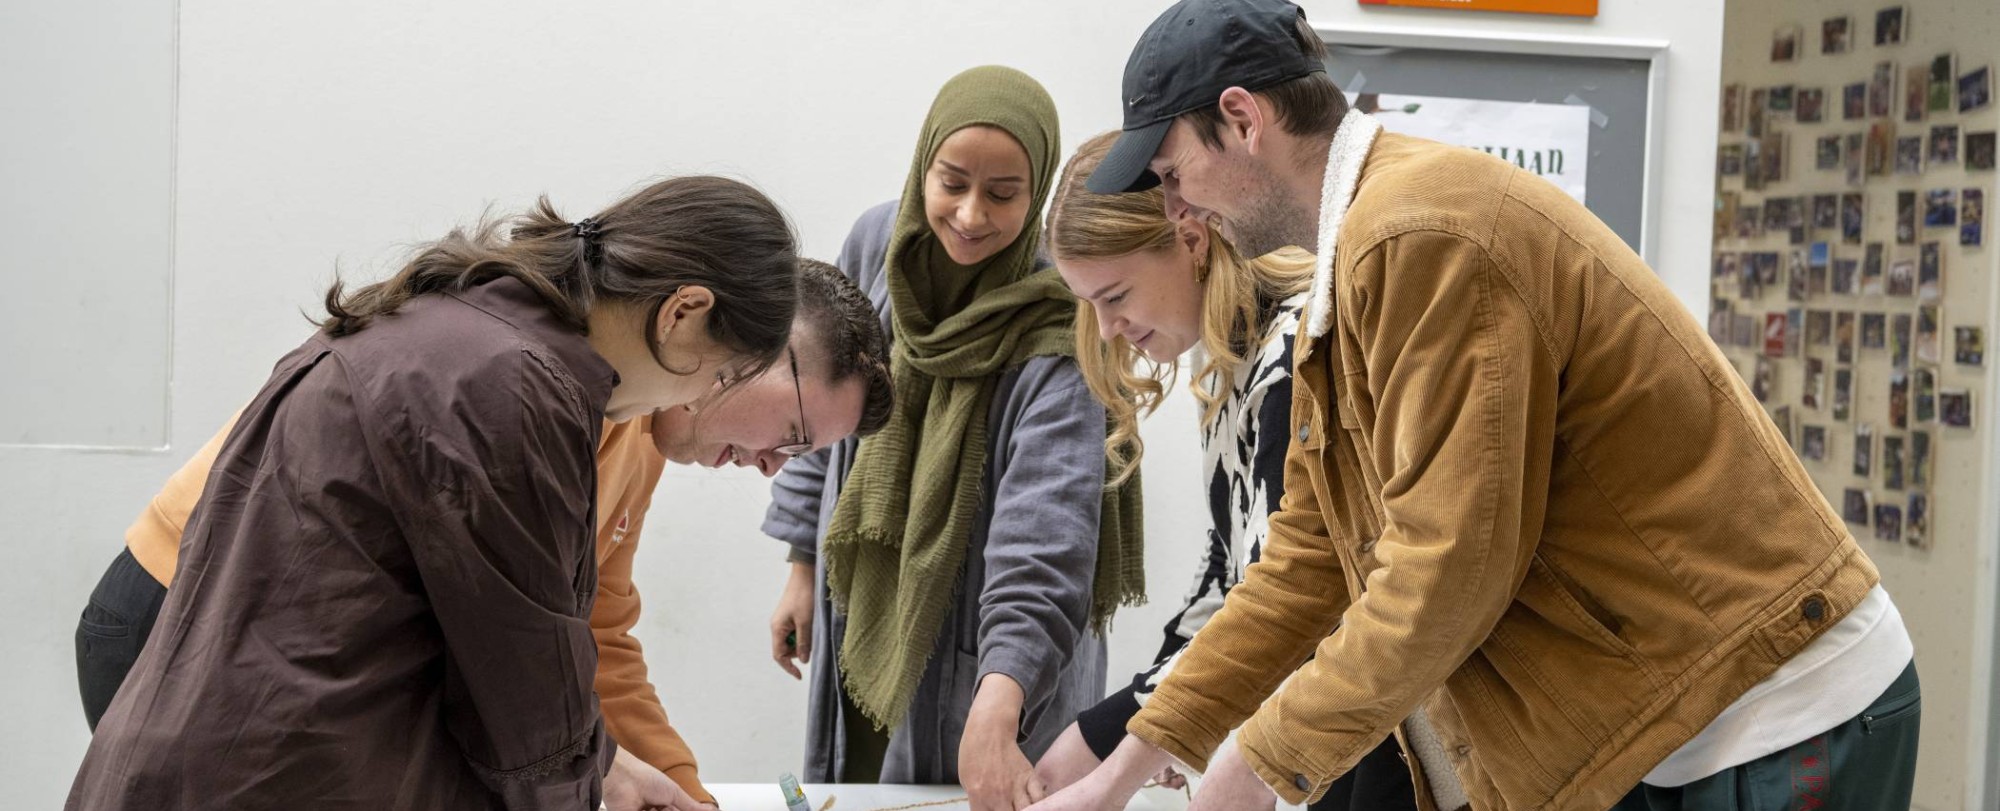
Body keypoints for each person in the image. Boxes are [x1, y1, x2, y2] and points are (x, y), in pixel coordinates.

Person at [1039, 1, 1919, 810]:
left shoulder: (1424, 233)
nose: (1175, 206)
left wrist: (1261, 759)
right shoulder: (1354, 260)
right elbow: (1311, 557)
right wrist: (1125, 770)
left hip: (1777, 701)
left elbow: (1449, 566)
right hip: (1675, 715)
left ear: (1241, 119)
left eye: (1171, 171)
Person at [69, 176, 804, 811]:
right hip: (267, 771)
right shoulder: (515, 386)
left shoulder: (461, 326)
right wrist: (581, 774)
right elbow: (526, 712)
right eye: (719, 375)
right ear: (684, 311)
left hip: (218, 754)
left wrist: (605, 765)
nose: (703, 398)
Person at [761, 66, 1145, 811]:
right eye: (952, 182)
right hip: (871, 605)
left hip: (995, 656)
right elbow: (812, 399)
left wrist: (1001, 698)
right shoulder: (880, 245)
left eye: (1003, 195)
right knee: (864, 788)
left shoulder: (1062, 318)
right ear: (923, 165)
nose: (971, 215)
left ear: (1036, 198)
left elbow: (1048, 533)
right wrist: (802, 560)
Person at [1031, 131, 1423, 811]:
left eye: (1115, 294)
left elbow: (1285, 603)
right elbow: (1228, 581)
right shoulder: (1230, 365)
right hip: (1351, 723)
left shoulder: (1291, 361)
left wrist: (1120, 764)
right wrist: (1104, 733)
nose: (1107, 327)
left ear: (1190, 242)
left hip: (1394, 724)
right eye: (1088, 302)